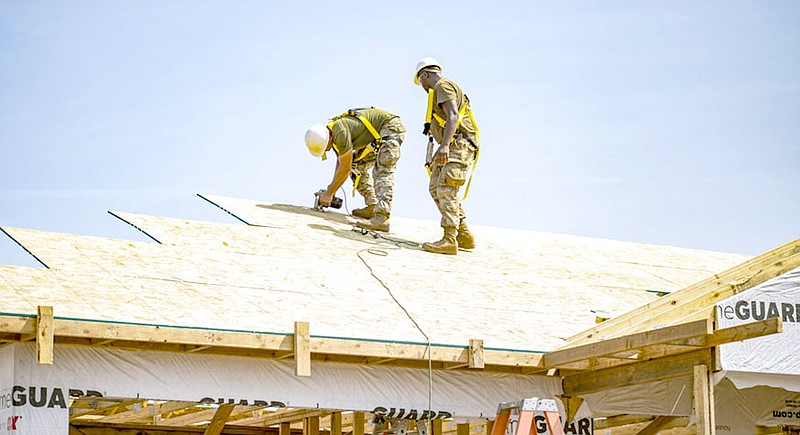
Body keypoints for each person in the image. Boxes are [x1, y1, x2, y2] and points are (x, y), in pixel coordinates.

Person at [414, 57, 479, 255]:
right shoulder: (440, 89)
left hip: (458, 144)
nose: (423, 87)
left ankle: (450, 239)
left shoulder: (442, 86)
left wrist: (444, 147)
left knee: (446, 187)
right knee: (435, 187)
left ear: (425, 75)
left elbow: (452, 115)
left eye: (421, 82)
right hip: (451, 143)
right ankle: (464, 236)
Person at [304, 107, 405, 232]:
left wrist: (329, 194)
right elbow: (343, 164)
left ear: (328, 138)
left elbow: (344, 168)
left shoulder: (339, 131)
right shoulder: (334, 134)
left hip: (390, 127)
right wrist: (330, 190)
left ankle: (382, 217)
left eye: (325, 148)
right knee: (355, 165)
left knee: (383, 169)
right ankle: (373, 205)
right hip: (378, 135)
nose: (327, 150)